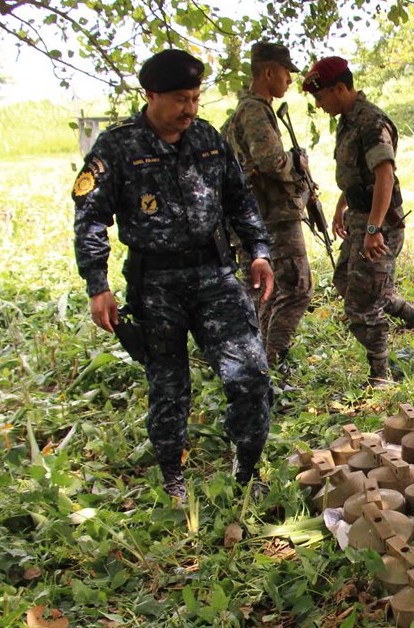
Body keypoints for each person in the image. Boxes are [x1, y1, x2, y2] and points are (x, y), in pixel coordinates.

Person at [72, 48, 275, 500]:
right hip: (155, 284)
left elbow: (240, 200)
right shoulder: (117, 146)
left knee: (250, 375)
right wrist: (98, 286)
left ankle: (248, 471)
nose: (190, 109)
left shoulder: (207, 138)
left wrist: (259, 252)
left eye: (196, 99)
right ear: (151, 95)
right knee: (168, 386)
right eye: (181, 99)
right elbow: (90, 218)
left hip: (215, 274)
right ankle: (173, 476)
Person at [301, 56, 414, 388]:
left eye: (321, 98)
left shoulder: (370, 122)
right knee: (347, 283)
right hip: (360, 218)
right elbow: (358, 177)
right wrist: (341, 207)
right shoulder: (348, 121)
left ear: (339, 88)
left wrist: (374, 229)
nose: (319, 106)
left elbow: (384, 177)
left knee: (361, 305)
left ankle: (381, 375)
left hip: (379, 225)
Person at [221, 41, 312, 376]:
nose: (289, 81)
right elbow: (271, 161)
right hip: (271, 215)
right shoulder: (256, 111)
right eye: (286, 73)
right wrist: (297, 162)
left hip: (256, 216)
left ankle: (258, 362)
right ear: (269, 72)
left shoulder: (243, 112)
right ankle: (272, 359)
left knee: (264, 291)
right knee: (298, 287)